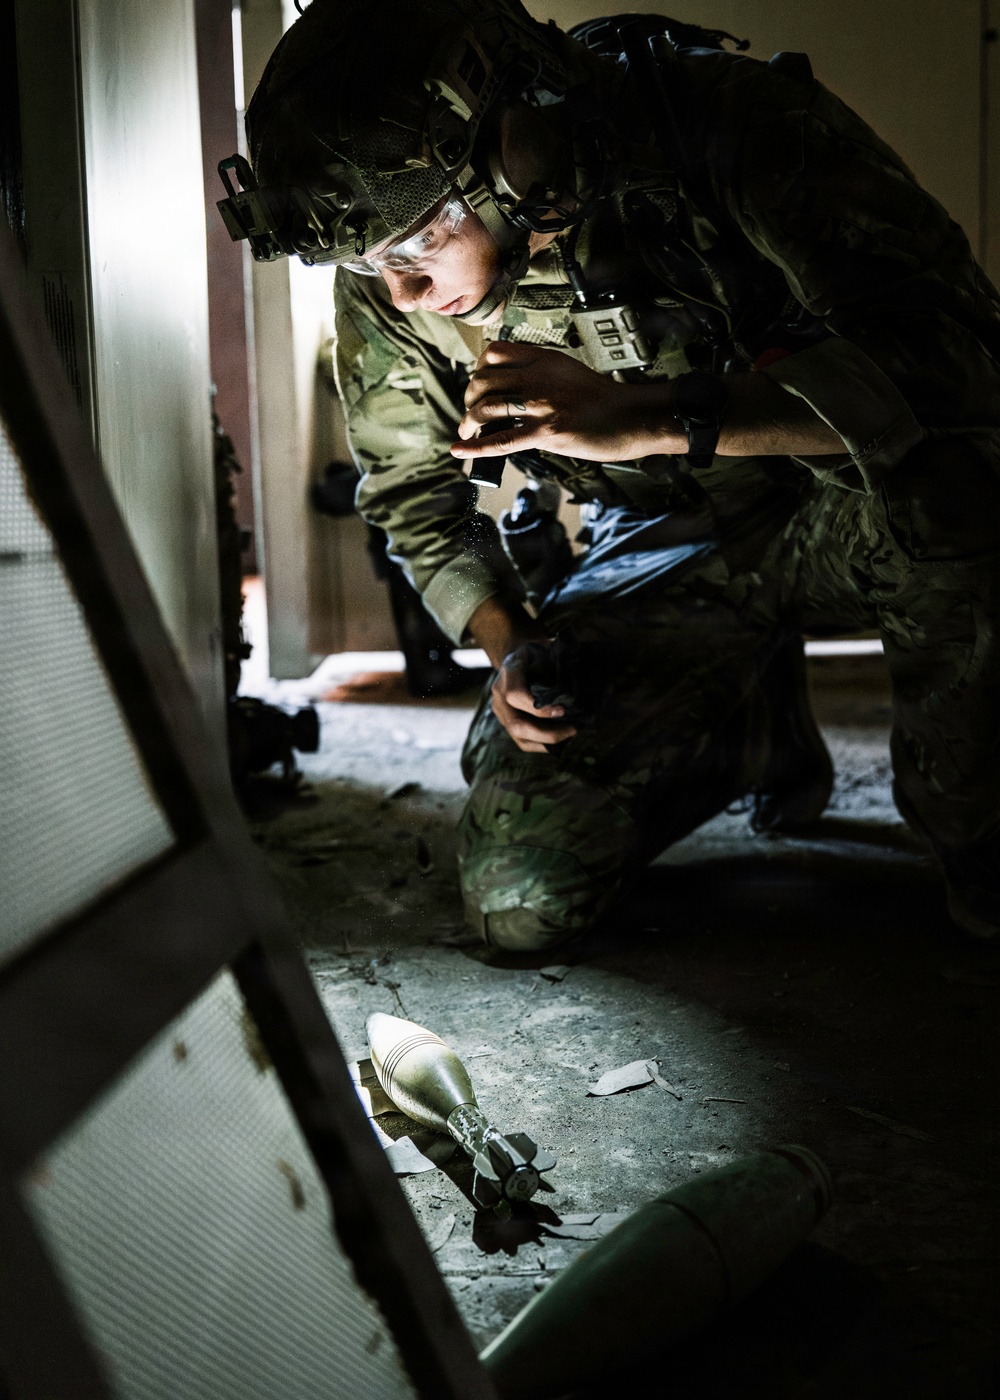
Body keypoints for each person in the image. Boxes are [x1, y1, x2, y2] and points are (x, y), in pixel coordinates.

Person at [221, 0, 1000, 948]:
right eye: (371, 262)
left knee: (961, 499)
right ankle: (750, 725)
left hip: (858, 512)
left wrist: (638, 419)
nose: (403, 292)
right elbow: (416, 497)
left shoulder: (730, 125)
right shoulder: (390, 278)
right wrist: (507, 643)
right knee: (522, 896)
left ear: (512, 148)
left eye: (420, 245)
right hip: (664, 546)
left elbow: (955, 367)